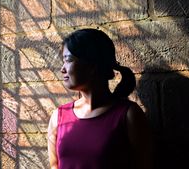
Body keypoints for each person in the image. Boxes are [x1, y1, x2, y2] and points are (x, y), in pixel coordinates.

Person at [47, 28, 153, 169]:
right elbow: (54, 166)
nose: (62, 69)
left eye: (68, 60)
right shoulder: (59, 117)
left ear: (92, 64)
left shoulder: (128, 115)